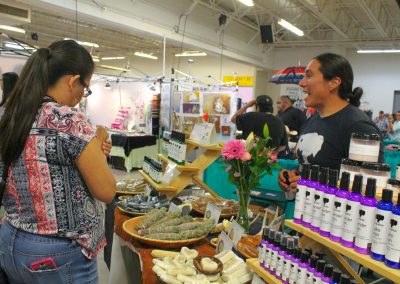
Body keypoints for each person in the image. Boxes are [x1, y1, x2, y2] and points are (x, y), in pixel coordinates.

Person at [0, 40, 116, 283]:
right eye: (85, 88)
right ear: (73, 81)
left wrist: (95, 151)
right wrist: (96, 149)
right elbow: (106, 191)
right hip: (58, 253)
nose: (82, 95)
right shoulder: (69, 120)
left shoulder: (13, 113)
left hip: (11, 240)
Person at [278, 53, 382, 195]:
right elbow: (314, 167)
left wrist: (309, 184)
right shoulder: (312, 121)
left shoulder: (358, 126)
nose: (301, 83)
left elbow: (369, 188)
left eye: (309, 76)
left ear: (333, 82)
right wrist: (293, 176)